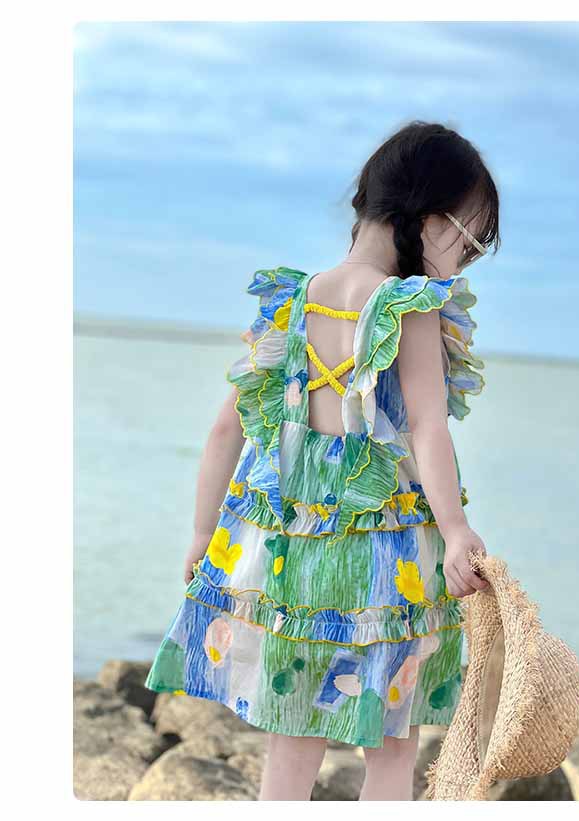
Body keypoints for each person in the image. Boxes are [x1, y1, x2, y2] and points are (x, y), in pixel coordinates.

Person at [144, 120, 501, 800]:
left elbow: (226, 429)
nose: (464, 263)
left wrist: (201, 533)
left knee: (292, 736)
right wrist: (455, 529)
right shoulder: (408, 305)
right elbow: (428, 428)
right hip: (386, 559)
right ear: (430, 218)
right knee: (391, 744)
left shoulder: (290, 300)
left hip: (291, 555)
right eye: (470, 242)